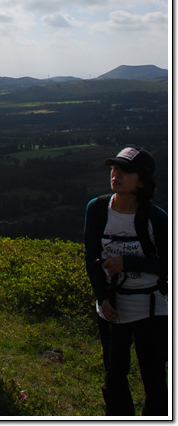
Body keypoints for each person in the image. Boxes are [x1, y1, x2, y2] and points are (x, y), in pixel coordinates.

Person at [83, 146, 168, 416]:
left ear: (141, 182)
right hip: (112, 308)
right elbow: (91, 257)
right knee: (115, 373)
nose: (115, 173)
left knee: (153, 375)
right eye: (114, 167)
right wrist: (101, 297)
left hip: (151, 310)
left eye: (125, 170)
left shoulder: (156, 218)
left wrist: (126, 263)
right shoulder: (97, 210)